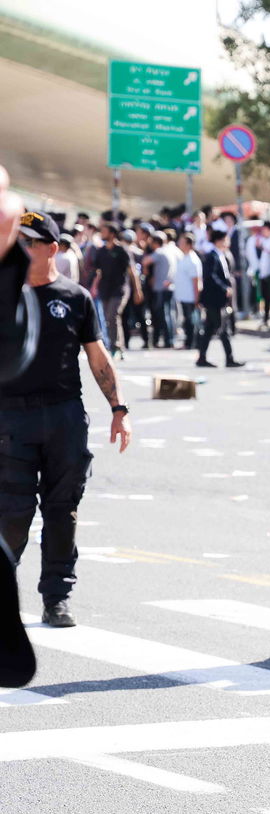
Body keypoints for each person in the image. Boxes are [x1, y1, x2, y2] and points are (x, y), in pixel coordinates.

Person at [0, 210, 131, 628]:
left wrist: (119, 409)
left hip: (63, 417)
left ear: (51, 249)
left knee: (62, 511)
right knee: (13, 513)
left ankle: (56, 597)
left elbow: (97, 357)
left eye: (28, 243)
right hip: (11, 420)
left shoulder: (75, 298)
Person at [195, 229, 244, 369]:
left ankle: (202, 358)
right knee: (223, 329)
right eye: (225, 239)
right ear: (218, 241)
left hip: (218, 299)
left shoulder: (221, 255)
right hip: (213, 299)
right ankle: (229, 358)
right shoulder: (212, 256)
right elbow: (211, 277)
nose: (227, 242)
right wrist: (224, 288)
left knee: (210, 328)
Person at [90, 225, 141, 355]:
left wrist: (137, 291)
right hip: (105, 289)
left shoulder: (122, 250)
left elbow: (132, 271)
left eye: (104, 230)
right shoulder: (101, 251)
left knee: (112, 316)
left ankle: (115, 346)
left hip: (120, 289)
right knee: (108, 319)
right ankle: (117, 346)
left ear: (112, 233)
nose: (102, 233)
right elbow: (98, 271)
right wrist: (94, 287)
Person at [171, 233, 202, 350]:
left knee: (191, 321)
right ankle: (190, 341)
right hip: (183, 295)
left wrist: (196, 298)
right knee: (187, 320)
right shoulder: (184, 257)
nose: (179, 244)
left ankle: (191, 342)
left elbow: (196, 281)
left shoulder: (193, 260)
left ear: (189, 245)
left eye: (182, 242)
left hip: (190, 296)